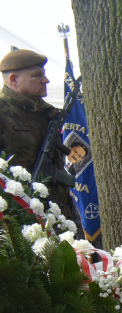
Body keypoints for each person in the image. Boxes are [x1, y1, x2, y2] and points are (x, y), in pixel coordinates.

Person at [0, 49, 78, 224]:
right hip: (18, 220)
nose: (46, 80)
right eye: (37, 76)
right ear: (13, 79)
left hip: (60, 212)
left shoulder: (47, 113)